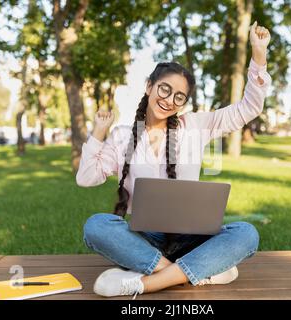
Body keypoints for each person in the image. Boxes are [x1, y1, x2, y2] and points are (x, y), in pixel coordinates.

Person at [77, 21, 272, 299]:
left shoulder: (196, 125)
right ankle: (195, 272)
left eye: (179, 96)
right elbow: (86, 178)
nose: (169, 100)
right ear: (149, 87)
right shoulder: (122, 136)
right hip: (144, 240)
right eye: (165, 89)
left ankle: (145, 282)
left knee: (246, 233)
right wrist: (97, 132)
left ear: (183, 103)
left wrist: (258, 53)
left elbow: (249, 107)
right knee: (96, 225)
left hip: (191, 238)